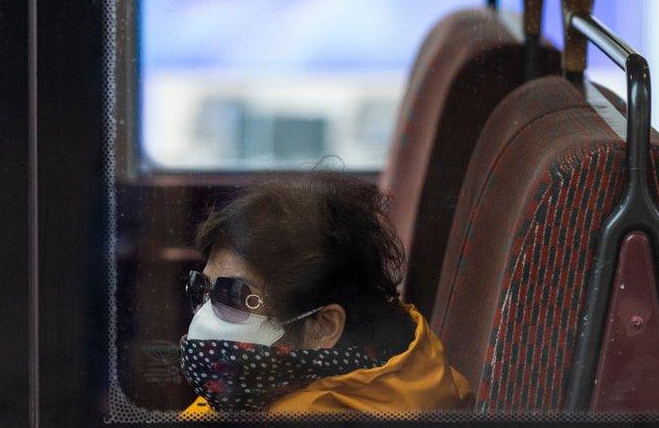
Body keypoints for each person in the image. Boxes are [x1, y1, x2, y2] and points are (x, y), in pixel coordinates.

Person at [179, 172, 470, 415]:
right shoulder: (261, 396)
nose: (205, 315)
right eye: (203, 289)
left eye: (234, 296)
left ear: (323, 326)